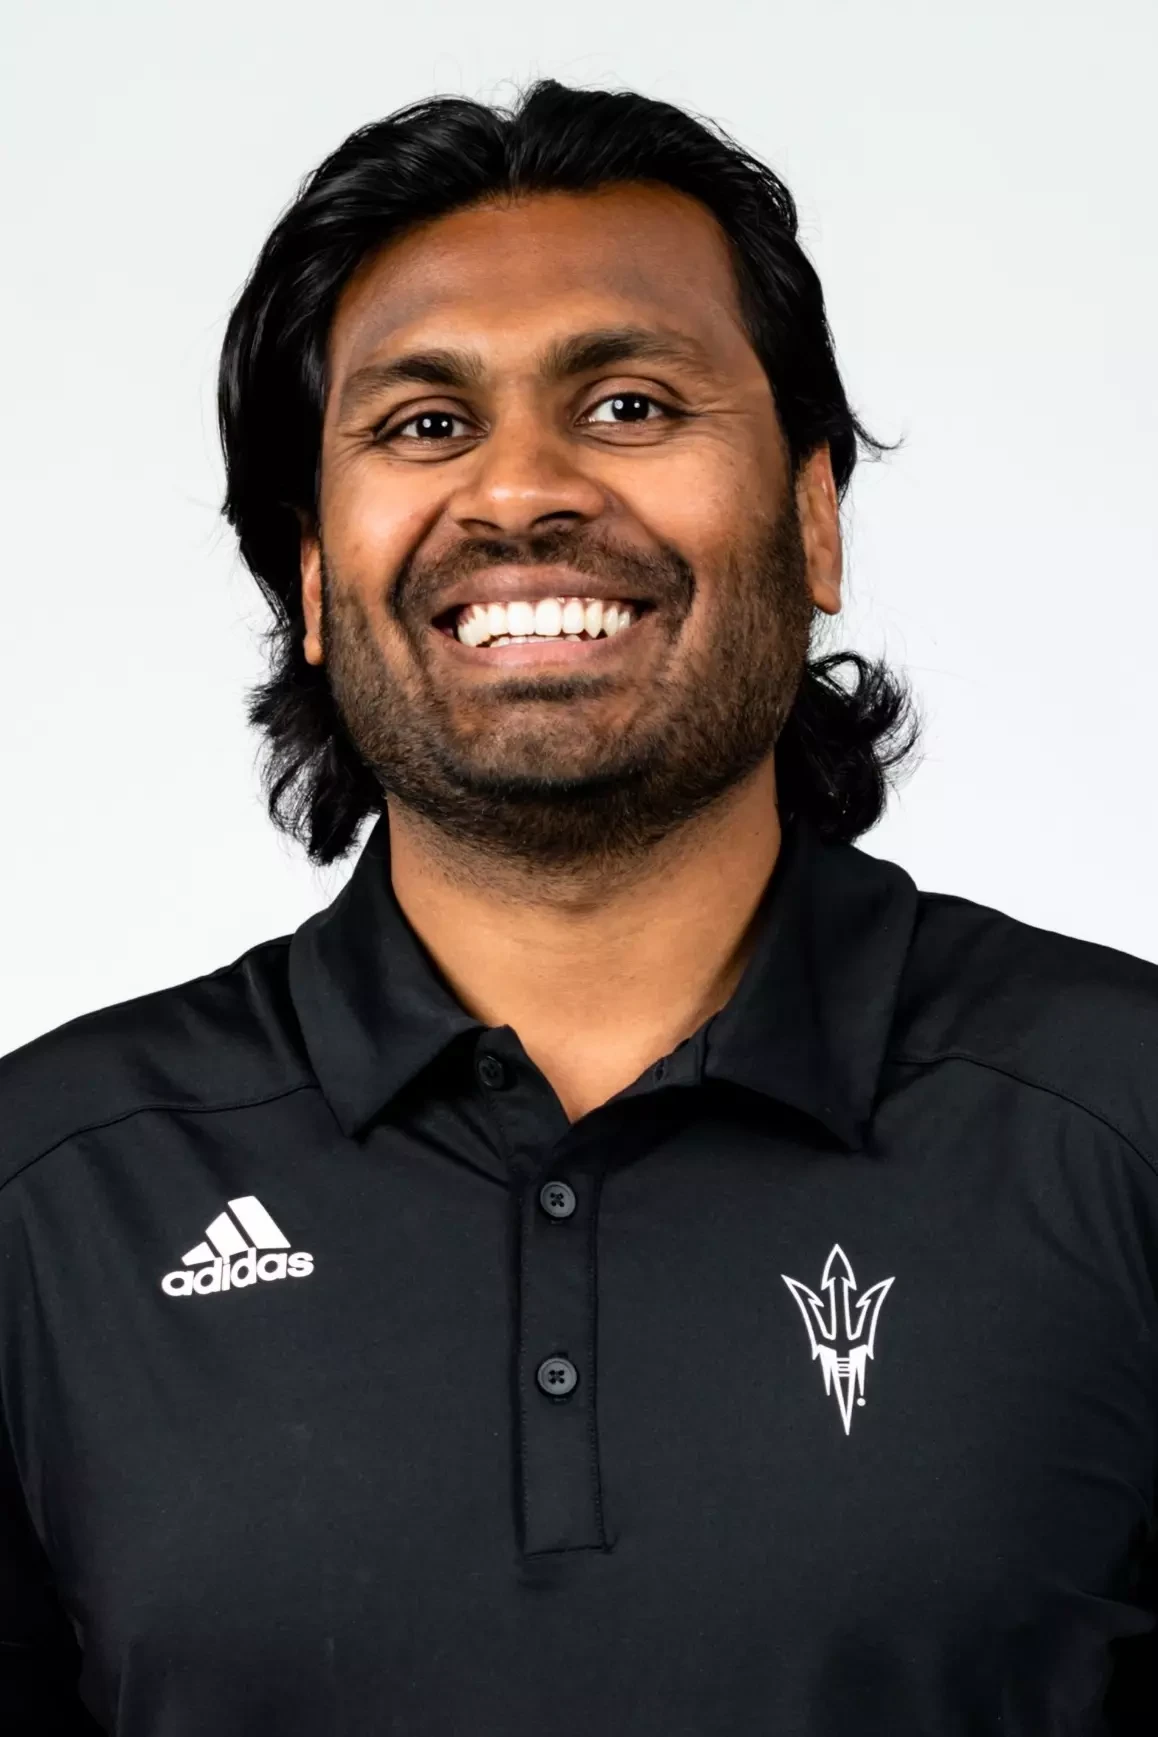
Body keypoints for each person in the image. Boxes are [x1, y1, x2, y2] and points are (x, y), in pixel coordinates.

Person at [1, 76, 1155, 1737]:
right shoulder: (50, 1197)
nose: (518, 492)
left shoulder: (1120, 1117)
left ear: (812, 518)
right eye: (423, 424)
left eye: (626, 405)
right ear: (314, 577)